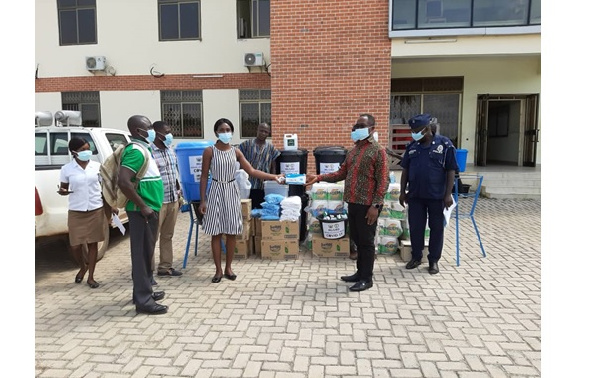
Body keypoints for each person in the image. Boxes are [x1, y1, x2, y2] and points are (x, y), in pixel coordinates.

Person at [305, 114, 389, 292]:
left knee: (366, 242)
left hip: (368, 204)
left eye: (361, 126)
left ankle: (367, 278)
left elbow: (383, 181)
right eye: (356, 125)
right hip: (352, 202)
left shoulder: (378, 151)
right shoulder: (353, 151)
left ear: (372, 129)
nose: (357, 128)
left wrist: (376, 206)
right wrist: (318, 177)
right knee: (357, 238)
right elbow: (340, 174)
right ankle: (360, 273)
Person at [199, 118, 284, 283]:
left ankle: (228, 268)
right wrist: (203, 200)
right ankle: (217, 270)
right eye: (222, 130)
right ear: (216, 132)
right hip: (215, 190)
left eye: (228, 129)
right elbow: (203, 177)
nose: (225, 133)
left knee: (231, 232)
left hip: (232, 191)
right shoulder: (209, 151)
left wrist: (274, 176)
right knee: (216, 233)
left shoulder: (236, 152)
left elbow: (252, 170)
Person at [118, 115, 168, 315]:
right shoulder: (136, 152)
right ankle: (143, 300)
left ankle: (145, 290)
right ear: (139, 131)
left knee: (146, 253)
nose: (153, 130)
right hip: (142, 212)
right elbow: (123, 181)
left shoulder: (144, 149)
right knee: (141, 255)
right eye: (149, 127)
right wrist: (143, 206)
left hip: (149, 210)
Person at [399, 113, 458, 275]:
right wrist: (402, 191)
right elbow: (405, 170)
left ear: (426, 129)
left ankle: (433, 260)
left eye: (417, 130)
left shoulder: (444, 144)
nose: (414, 133)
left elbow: (451, 170)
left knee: (436, 229)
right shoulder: (412, 146)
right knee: (416, 228)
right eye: (412, 131)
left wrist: (448, 195)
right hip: (416, 196)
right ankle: (416, 257)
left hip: (437, 196)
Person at [58, 136, 116, 289]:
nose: (87, 152)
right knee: (75, 245)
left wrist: (111, 206)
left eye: (88, 148)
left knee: (92, 244)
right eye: (83, 150)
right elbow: (64, 187)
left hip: (95, 209)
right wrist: (63, 191)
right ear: (74, 152)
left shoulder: (97, 166)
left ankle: (90, 276)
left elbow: (105, 189)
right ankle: (82, 267)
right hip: (76, 210)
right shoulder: (67, 169)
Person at [150, 121, 183, 278]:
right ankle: (147, 273)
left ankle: (165, 267)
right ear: (157, 134)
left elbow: (173, 173)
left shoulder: (170, 150)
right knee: (151, 238)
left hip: (172, 199)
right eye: (167, 132)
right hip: (157, 202)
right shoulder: (149, 152)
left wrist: (179, 192)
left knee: (167, 235)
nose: (170, 135)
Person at [238, 122, 281, 209]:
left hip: (263, 185)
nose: (263, 133)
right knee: (248, 209)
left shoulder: (271, 148)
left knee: (262, 210)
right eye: (261, 131)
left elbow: (273, 166)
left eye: (266, 132)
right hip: (248, 184)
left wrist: (272, 181)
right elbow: (238, 160)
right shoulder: (246, 145)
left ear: (268, 133)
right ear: (257, 130)